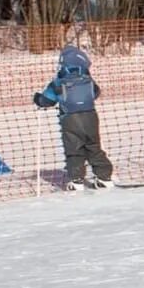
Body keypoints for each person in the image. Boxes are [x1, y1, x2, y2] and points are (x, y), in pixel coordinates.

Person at [32, 44, 114, 189]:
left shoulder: (58, 82)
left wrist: (38, 99)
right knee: (94, 146)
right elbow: (96, 93)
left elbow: (47, 100)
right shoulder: (88, 79)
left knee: (74, 149)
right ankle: (104, 176)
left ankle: (76, 180)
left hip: (70, 119)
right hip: (90, 117)